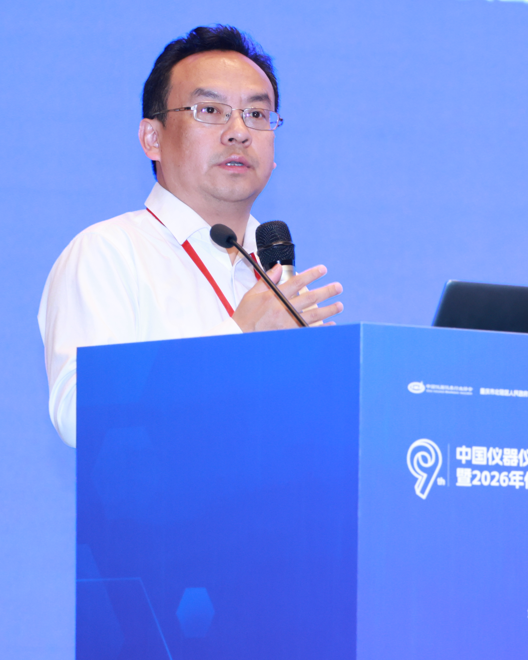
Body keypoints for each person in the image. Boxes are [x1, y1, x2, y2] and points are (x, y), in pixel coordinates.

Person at [38, 25, 343, 446]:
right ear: (152, 138)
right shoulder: (108, 253)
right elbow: (81, 414)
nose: (239, 131)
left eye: (256, 115)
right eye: (211, 110)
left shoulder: (277, 275)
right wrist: (238, 340)